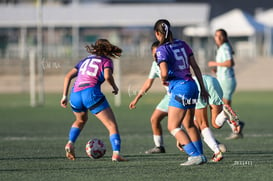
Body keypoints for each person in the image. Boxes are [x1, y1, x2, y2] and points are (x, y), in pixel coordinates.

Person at [153, 19, 209, 166]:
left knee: (173, 126)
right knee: (189, 124)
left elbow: (164, 73)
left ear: (157, 33)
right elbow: (195, 67)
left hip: (180, 88)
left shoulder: (161, 49)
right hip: (192, 86)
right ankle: (200, 154)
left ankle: (194, 155)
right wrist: (203, 88)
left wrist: (163, 79)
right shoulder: (183, 44)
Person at [60, 39, 127, 162]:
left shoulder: (84, 60)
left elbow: (68, 76)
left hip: (74, 95)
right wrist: (115, 87)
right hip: (90, 93)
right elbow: (107, 76)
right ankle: (116, 153)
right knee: (111, 125)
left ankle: (70, 143)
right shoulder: (106, 61)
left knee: (80, 120)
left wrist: (64, 96)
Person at [129, 41, 168, 154]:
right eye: (154, 54)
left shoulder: (170, 61)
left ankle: (213, 143)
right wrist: (136, 98)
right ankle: (159, 146)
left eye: (159, 53)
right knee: (155, 119)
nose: (157, 56)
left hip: (181, 94)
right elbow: (148, 83)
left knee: (188, 124)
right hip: (170, 96)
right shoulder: (155, 65)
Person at [208, 29, 244, 140]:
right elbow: (225, 65)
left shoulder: (225, 47)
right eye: (216, 35)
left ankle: (236, 128)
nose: (218, 38)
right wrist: (217, 69)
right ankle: (237, 127)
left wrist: (215, 63)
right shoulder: (221, 48)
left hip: (227, 81)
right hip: (224, 79)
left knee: (226, 108)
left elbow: (230, 63)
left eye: (220, 36)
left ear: (224, 37)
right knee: (226, 108)